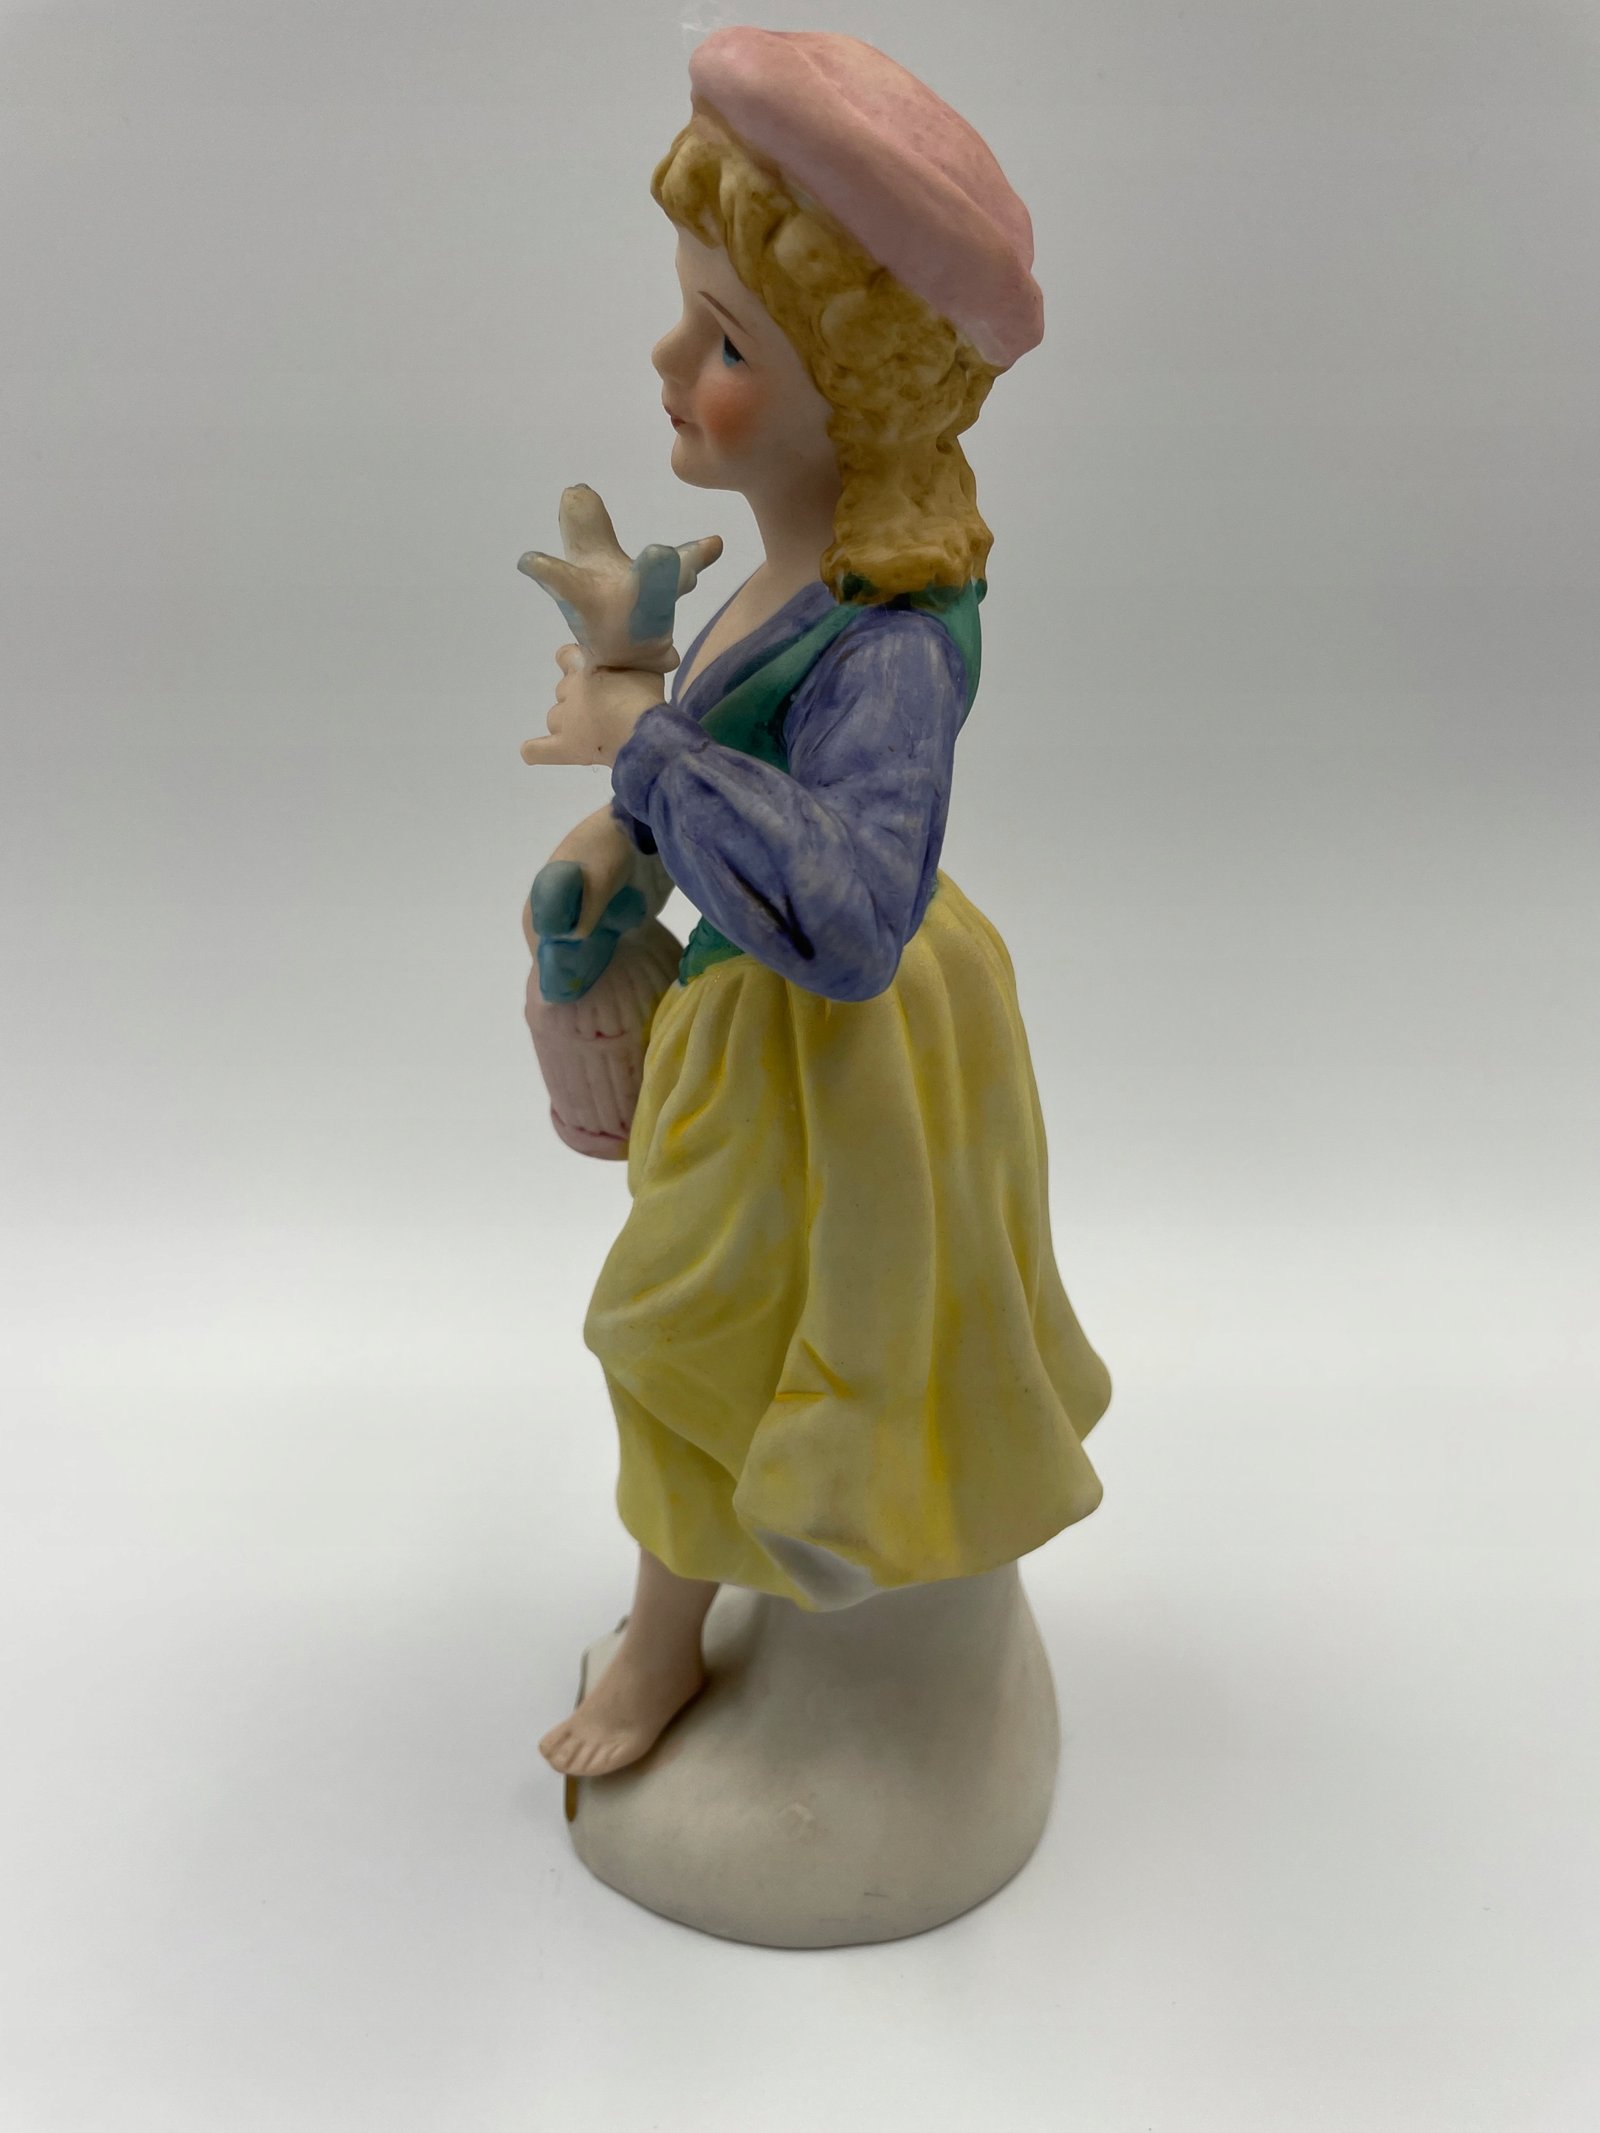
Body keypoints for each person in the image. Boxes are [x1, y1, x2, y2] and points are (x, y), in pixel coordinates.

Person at [523, 29, 1112, 1779]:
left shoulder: (891, 643)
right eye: (687, 317)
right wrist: (628, 816)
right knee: (713, 1341)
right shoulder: (782, 576)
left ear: (846, 394)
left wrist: (647, 753)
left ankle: (731, 1656)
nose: (668, 360)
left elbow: (850, 917)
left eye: (723, 342)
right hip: (753, 1025)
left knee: (695, 1332)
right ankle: (691, 1636)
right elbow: (712, 770)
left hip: (839, 1057)